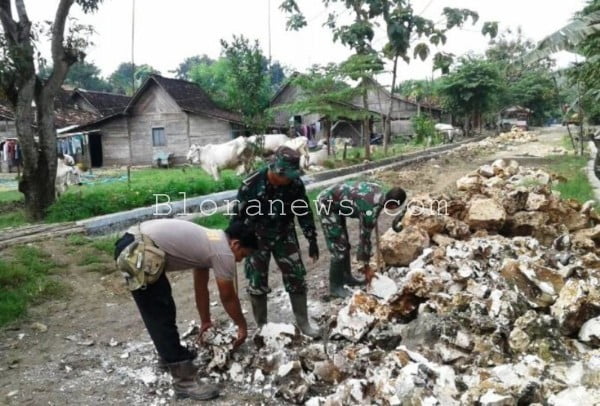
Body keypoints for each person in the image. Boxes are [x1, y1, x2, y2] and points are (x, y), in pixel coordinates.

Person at [114, 219, 258, 401]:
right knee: (160, 313)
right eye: (243, 255)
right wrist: (242, 327)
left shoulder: (211, 241)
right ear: (235, 244)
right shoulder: (223, 252)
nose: (239, 260)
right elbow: (228, 297)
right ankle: (184, 381)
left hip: (135, 242)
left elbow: (201, 288)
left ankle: (170, 355)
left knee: (162, 308)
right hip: (139, 250)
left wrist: (205, 321)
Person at [231, 146, 320, 337]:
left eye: (291, 175)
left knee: (296, 276)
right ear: (275, 170)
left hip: (284, 233)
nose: (288, 179)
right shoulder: (251, 184)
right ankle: (262, 326)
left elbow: (303, 210)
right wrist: (235, 240)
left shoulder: (294, 184)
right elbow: (237, 216)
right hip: (256, 236)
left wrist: (311, 238)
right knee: (256, 281)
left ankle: (303, 323)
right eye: (285, 175)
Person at [316, 181, 407, 298]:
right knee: (338, 248)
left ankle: (346, 277)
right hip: (326, 204)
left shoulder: (380, 193)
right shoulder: (370, 209)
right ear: (393, 205)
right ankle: (335, 288)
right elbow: (364, 240)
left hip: (337, 201)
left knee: (344, 243)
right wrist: (367, 268)